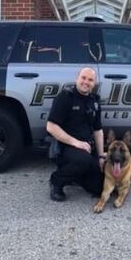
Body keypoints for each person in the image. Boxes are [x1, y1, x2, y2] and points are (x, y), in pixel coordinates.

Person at [46, 66, 106, 201]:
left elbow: (98, 130)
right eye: (83, 78)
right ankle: (56, 181)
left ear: (94, 83)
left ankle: (76, 176)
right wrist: (76, 143)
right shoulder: (65, 97)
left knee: (99, 188)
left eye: (90, 80)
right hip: (65, 147)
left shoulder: (94, 101)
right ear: (76, 79)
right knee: (82, 160)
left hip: (87, 149)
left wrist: (101, 156)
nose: (86, 82)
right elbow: (51, 127)